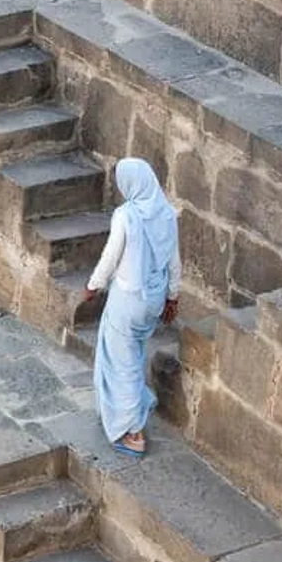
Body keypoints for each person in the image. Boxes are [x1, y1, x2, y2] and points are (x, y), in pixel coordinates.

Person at [81, 158, 181, 458]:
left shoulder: (126, 216)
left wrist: (92, 286)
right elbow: (175, 262)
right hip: (154, 300)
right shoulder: (166, 213)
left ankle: (131, 431)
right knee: (134, 351)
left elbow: (111, 256)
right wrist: (172, 297)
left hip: (128, 299)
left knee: (120, 360)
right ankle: (134, 403)